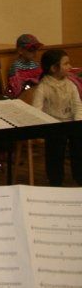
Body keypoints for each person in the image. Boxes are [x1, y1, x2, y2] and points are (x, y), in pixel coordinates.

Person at [31, 49, 82, 186]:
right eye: (66, 64)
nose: (70, 66)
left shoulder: (71, 85)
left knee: (79, 143)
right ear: (54, 68)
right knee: (55, 147)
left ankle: (79, 176)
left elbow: (78, 106)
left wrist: (77, 124)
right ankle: (56, 180)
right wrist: (40, 131)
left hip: (71, 123)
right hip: (53, 125)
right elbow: (36, 110)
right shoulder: (43, 87)